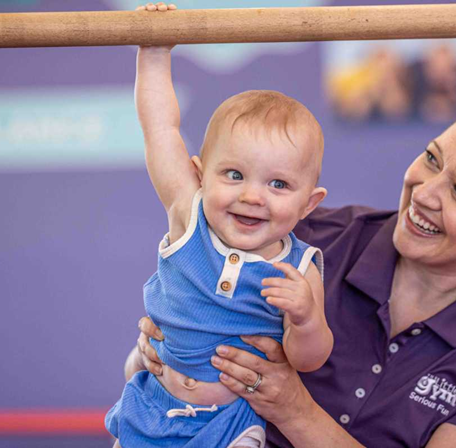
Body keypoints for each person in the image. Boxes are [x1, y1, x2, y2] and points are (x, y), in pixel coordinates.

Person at [131, 102, 456, 447]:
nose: (425, 192)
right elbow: (165, 355)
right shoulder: (300, 238)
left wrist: (295, 411)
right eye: (432, 158)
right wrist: (158, 353)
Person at [105, 3, 333, 448]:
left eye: (279, 184)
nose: (252, 195)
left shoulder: (299, 269)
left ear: (310, 204)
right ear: (199, 175)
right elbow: (160, 129)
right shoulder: (188, 217)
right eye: (233, 175)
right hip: (152, 408)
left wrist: (305, 318)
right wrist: (153, 50)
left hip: (231, 426)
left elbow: (308, 360)